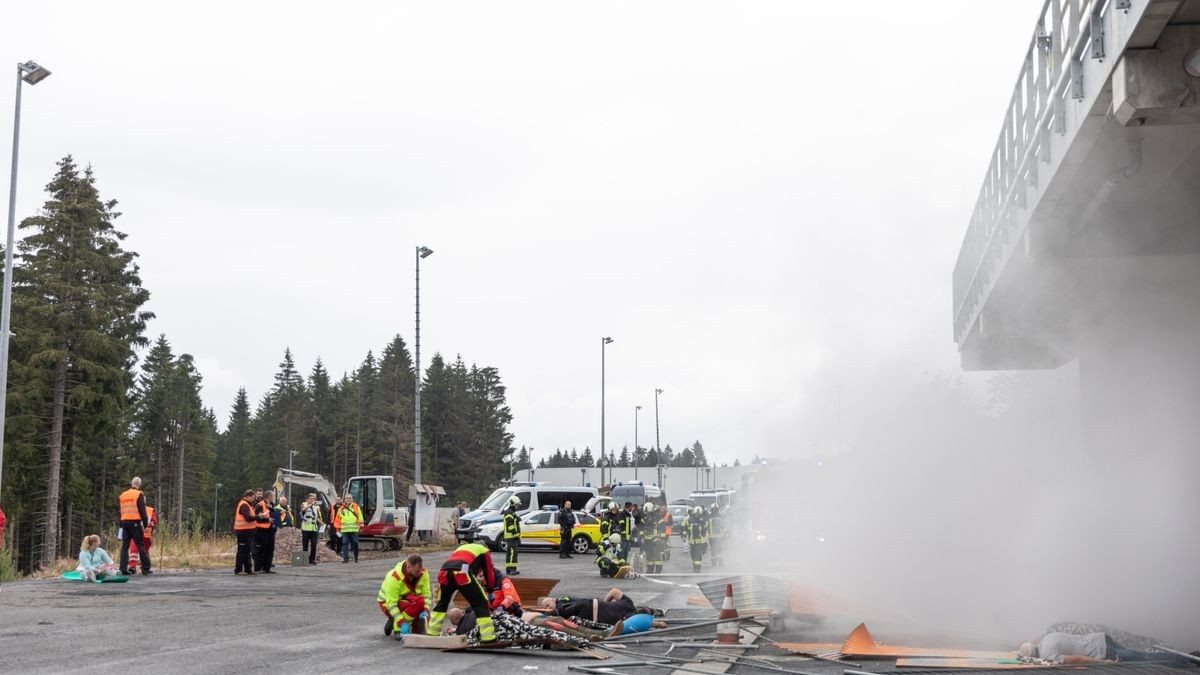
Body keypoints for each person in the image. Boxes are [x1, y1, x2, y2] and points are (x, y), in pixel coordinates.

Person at [425, 543, 498, 643]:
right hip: (461, 574)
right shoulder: (484, 551)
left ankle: (432, 633)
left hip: (444, 573)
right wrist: (490, 590)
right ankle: (488, 638)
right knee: (481, 603)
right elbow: (489, 572)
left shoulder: (461, 548)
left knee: (442, 604)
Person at [1019, 633, 1191, 664]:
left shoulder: (1048, 654)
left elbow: (1076, 659)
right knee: (1137, 654)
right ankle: (1177, 657)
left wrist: (1101, 661)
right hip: (1101, 637)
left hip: (1102, 651)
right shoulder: (1047, 638)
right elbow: (1039, 634)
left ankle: (1183, 659)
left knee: (1141, 657)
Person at [377, 553, 432, 637]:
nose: (419, 573)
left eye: (420, 570)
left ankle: (395, 619)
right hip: (386, 604)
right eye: (416, 571)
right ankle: (397, 629)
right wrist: (402, 623)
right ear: (408, 566)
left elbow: (427, 595)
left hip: (407, 600)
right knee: (419, 603)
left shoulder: (423, 573)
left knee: (418, 628)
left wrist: (426, 610)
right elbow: (391, 605)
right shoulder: (394, 577)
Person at [118, 477, 152, 576]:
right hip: (135, 523)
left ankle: (123, 569)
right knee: (140, 544)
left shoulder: (123, 495)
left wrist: (121, 526)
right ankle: (146, 568)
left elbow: (121, 511)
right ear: (139, 484)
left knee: (125, 546)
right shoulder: (139, 494)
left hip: (124, 522)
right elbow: (142, 510)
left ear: (131, 483)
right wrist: (145, 524)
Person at [233, 489, 258, 575]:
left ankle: (248, 569)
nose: (254, 500)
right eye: (253, 498)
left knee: (248, 551)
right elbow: (247, 518)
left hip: (248, 532)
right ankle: (238, 569)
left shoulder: (248, 504)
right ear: (248, 496)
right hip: (243, 532)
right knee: (242, 551)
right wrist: (258, 516)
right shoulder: (244, 505)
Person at [253, 489, 275, 573]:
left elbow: (273, 515)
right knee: (261, 550)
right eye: (272, 496)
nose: (273, 497)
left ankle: (267, 568)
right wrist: (267, 520)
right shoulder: (260, 505)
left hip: (270, 530)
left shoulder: (272, 505)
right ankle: (258, 568)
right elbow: (257, 517)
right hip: (261, 530)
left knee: (270, 550)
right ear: (268, 496)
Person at [299, 493, 323, 565]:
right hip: (306, 528)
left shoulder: (316, 507)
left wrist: (321, 523)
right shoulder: (304, 504)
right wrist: (311, 504)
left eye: (313, 499)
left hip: (314, 528)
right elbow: (303, 510)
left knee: (314, 545)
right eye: (311, 499)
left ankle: (312, 559)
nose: (313, 500)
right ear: (307, 499)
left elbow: (316, 517)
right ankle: (305, 560)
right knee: (305, 545)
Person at [338, 494, 362, 563]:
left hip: (354, 529)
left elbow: (360, 517)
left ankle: (356, 557)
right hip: (345, 530)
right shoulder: (341, 508)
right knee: (345, 544)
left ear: (352, 499)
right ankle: (345, 559)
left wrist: (361, 526)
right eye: (347, 498)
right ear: (345, 499)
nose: (348, 499)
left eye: (350, 498)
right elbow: (338, 518)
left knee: (355, 543)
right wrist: (338, 528)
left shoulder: (356, 506)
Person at [683, 506, 707, 573]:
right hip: (692, 542)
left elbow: (704, 532)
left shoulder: (702, 521)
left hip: (699, 542)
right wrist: (684, 536)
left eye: (699, 514)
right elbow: (685, 528)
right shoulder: (689, 520)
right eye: (697, 513)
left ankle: (698, 569)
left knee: (698, 556)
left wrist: (705, 544)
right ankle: (694, 567)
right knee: (693, 555)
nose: (698, 515)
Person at [501, 495, 521, 576]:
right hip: (511, 536)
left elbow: (512, 521)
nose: (517, 506)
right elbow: (510, 525)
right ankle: (512, 570)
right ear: (512, 504)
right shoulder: (509, 512)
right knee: (513, 553)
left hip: (511, 536)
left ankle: (509, 569)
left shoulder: (511, 512)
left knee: (510, 553)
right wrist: (515, 534)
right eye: (516, 505)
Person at [641, 503, 662, 574]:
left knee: (657, 555)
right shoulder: (644, 518)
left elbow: (662, 527)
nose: (646, 513)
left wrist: (659, 536)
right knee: (649, 555)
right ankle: (650, 569)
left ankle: (658, 570)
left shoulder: (657, 516)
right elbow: (642, 528)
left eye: (647, 512)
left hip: (656, 539)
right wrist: (642, 537)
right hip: (647, 540)